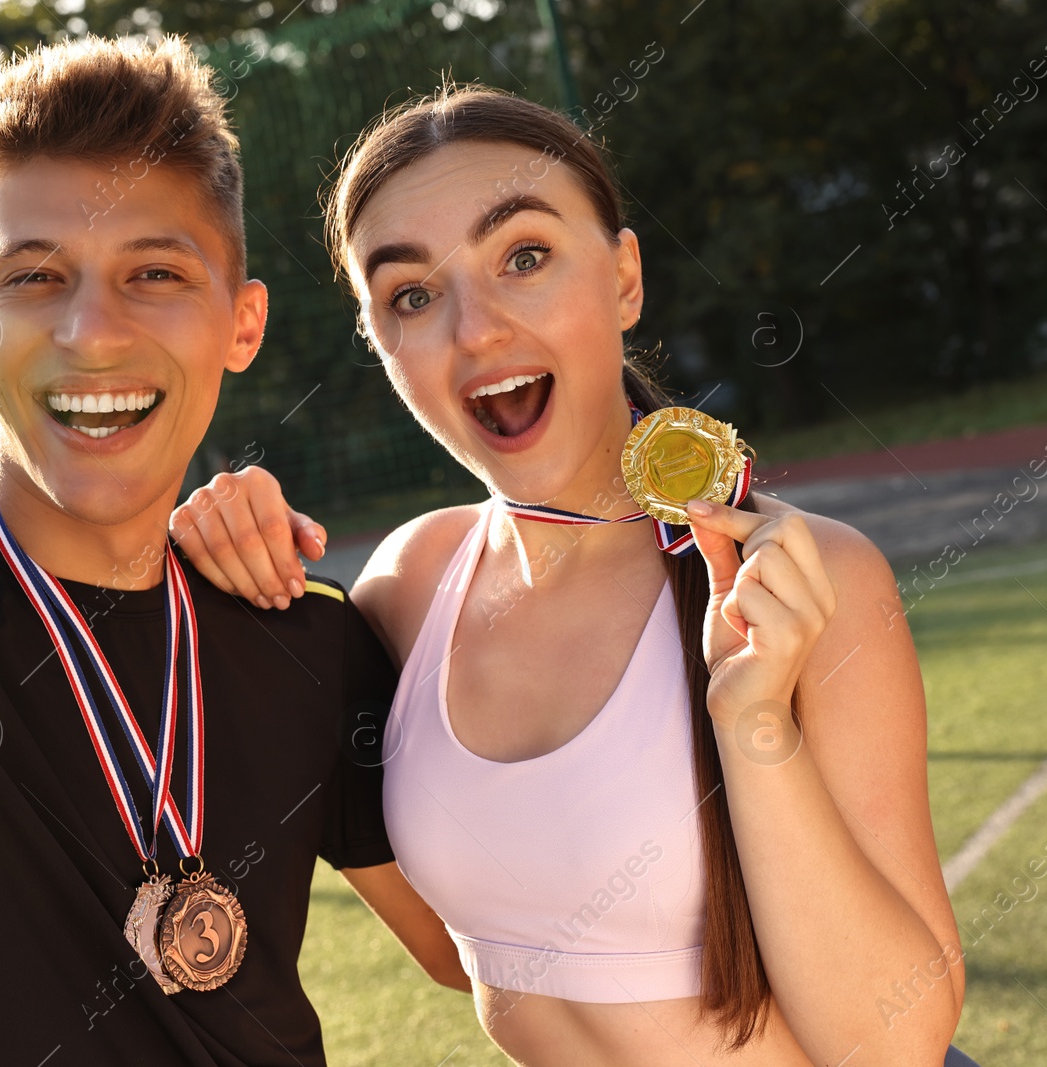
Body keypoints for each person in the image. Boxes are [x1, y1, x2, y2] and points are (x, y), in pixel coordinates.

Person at [172, 85, 972, 1065]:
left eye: (524, 256)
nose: (475, 330)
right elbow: (471, 953)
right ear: (380, 344)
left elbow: (895, 1042)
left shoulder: (805, 579)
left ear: (625, 277)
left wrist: (754, 722)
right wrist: (216, 572)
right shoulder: (407, 588)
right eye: (411, 294)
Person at [0, 36, 458, 1066]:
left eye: (155, 271)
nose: (93, 331)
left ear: (242, 321)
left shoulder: (306, 632)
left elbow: (474, 946)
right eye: (36, 275)